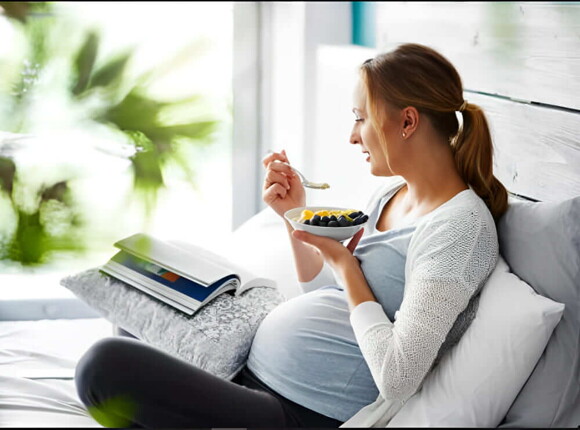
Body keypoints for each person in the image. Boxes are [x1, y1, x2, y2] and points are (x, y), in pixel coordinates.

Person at [74, 43, 507, 428]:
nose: (353, 136)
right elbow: (324, 293)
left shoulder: (459, 229)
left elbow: (398, 375)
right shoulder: (391, 194)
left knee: (102, 366)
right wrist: (294, 216)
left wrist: (346, 266)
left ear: (408, 121)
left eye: (360, 119)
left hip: (300, 411)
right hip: (252, 372)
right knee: (139, 313)